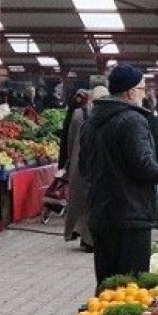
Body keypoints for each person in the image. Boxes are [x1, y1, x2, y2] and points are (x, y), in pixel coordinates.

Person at [80, 65, 158, 291]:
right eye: (142, 88)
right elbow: (144, 168)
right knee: (132, 289)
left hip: (101, 214)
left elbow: (83, 168)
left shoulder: (91, 122)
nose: (144, 93)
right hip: (130, 217)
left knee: (106, 287)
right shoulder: (133, 120)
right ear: (130, 92)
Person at [64, 87, 101, 251]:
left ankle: (83, 235)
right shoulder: (105, 115)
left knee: (81, 200)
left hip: (78, 161)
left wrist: (69, 160)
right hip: (96, 162)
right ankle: (89, 238)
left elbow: (70, 139)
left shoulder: (78, 114)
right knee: (93, 200)